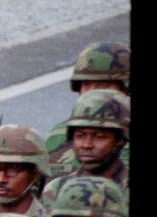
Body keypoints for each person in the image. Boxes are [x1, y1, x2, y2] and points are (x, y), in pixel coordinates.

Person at [45, 42, 130, 173]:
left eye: (103, 86)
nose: (91, 93)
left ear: (125, 89)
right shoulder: (57, 137)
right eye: (86, 84)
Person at [43, 90, 130, 200]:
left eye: (99, 137)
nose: (87, 145)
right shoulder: (56, 190)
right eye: (80, 136)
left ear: (120, 140)